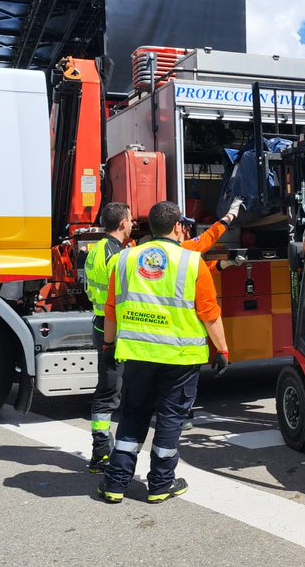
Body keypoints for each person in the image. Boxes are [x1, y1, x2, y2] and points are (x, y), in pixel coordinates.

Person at [98, 201, 231, 504]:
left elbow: (111, 309)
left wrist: (108, 345)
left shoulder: (124, 259)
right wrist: (222, 349)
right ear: (178, 227)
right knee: (170, 419)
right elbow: (209, 313)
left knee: (133, 415)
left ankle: (115, 483)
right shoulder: (192, 262)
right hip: (180, 358)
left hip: (137, 354)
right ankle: (160, 484)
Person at [85, 203, 133, 472]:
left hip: (101, 322)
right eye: (131, 220)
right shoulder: (117, 256)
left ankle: (102, 449)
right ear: (123, 223)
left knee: (110, 388)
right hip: (113, 327)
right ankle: (102, 452)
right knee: (110, 391)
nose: (133, 224)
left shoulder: (96, 249)